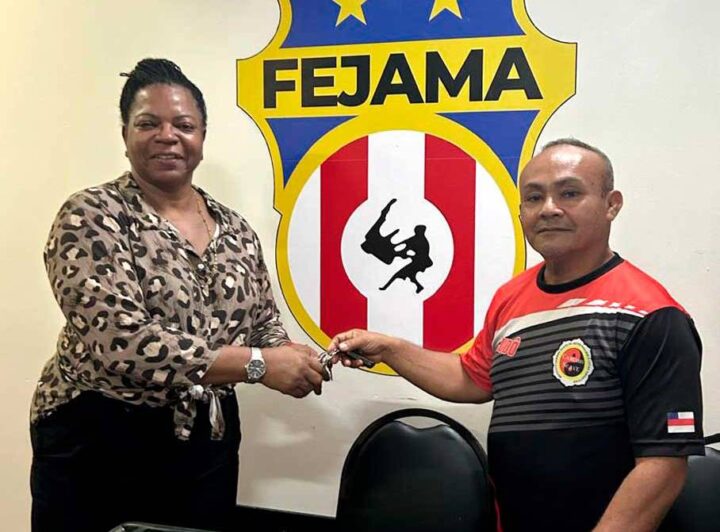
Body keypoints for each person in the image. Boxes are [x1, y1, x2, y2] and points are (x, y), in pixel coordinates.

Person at [331, 138, 704, 532]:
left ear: (611, 204)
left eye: (569, 193)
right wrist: (389, 349)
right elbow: (472, 378)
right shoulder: (511, 297)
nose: (549, 209)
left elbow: (664, 464)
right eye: (534, 197)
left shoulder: (652, 315)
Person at [30, 58, 328, 532]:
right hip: (98, 438)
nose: (167, 136)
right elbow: (123, 342)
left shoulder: (235, 229)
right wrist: (258, 364)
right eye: (148, 123)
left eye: (183, 125)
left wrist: (296, 357)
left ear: (202, 137)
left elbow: (261, 321)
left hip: (207, 441)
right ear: (125, 133)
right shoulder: (91, 216)